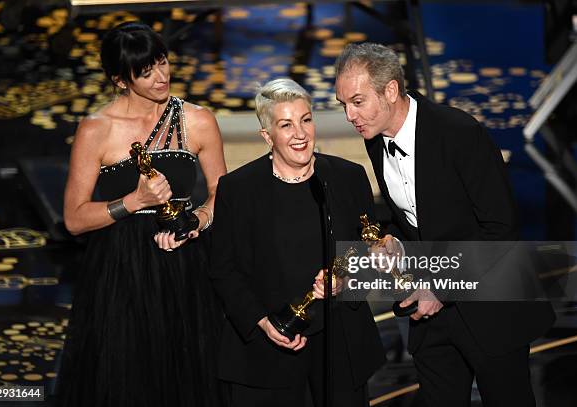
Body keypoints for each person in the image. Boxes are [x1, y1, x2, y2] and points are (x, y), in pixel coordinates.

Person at [335, 43, 555, 406]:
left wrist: (439, 288)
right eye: (344, 104)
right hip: (429, 318)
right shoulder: (376, 140)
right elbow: (410, 218)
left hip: (490, 308)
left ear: (390, 90)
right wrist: (394, 242)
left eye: (357, 101)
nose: (349, 115)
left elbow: (500, 230)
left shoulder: (459, 133)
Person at [58, 21, 227, 407]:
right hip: (120, 272)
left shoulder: (198, 120)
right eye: (145, 72)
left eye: (162, 62)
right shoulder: (95, 130)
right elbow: (74, 218)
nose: (160, 77)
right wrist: (132, 202)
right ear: (120, 80)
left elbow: (222, 193)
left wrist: (200, 219)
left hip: (186, 264)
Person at [209, 78, 385, 407]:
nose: (300, 134)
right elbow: (223, 269)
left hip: (339, 345)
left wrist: (345, 281)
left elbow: (367, 252)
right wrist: (262, 322)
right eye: (286, 125)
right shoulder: (238, 189)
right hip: (266, 349)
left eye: (305, 120)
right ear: (267, 135)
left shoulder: (348, 178)